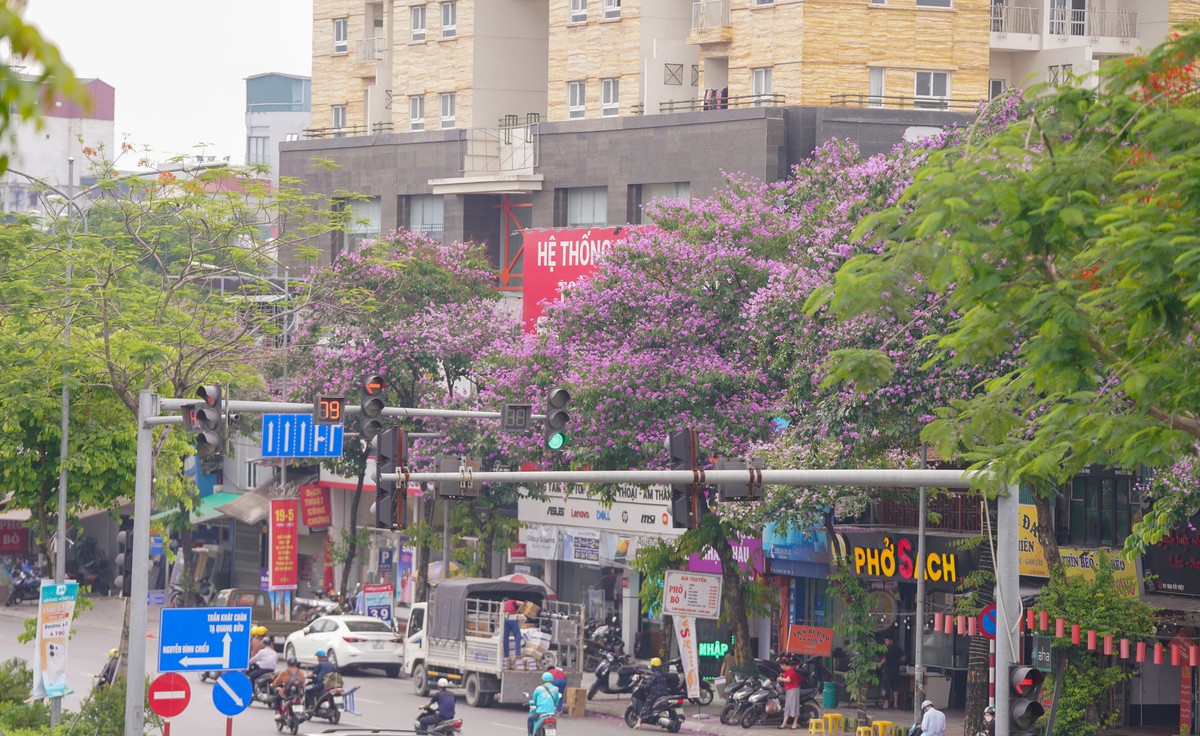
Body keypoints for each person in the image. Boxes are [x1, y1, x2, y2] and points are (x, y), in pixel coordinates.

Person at [634, 657, 672, 729]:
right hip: (664, 693)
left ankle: (638, 723)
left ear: (653, 666)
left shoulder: (655, 674)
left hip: (655, 694)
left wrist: (641, 686)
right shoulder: (663, 673)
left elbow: (648, 686)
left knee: (646, 706)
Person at [272, 657, 306, 722]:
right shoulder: (300, 672)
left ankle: (279, 713)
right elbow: (303, 681)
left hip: (287, 693)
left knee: (277, 698)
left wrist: (273, 685)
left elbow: (277, 682)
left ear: (287, 663)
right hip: (299, 693)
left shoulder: (284, 672)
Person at [878, 635, 906, 709]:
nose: (885, 642)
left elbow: (884, 659)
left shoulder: (887, 649)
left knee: (887, 687)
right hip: (895, 670)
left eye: (886, 640)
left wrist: (879, 665)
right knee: (895, 687)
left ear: (891, 641)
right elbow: (903, 657)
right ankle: (895, 703)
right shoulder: (898, 648)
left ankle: (886, 703)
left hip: (887, 670)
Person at [777, 655, 804, 730]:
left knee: (794, 706)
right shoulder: (787, 671)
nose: (781, 667)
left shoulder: (790, 670)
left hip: (793, 689)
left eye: (781, 665)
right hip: (789, 690)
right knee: (787, 706)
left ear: (784, 665)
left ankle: (795, 723)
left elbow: (788, 680)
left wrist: (781, 679)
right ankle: (784, 723)